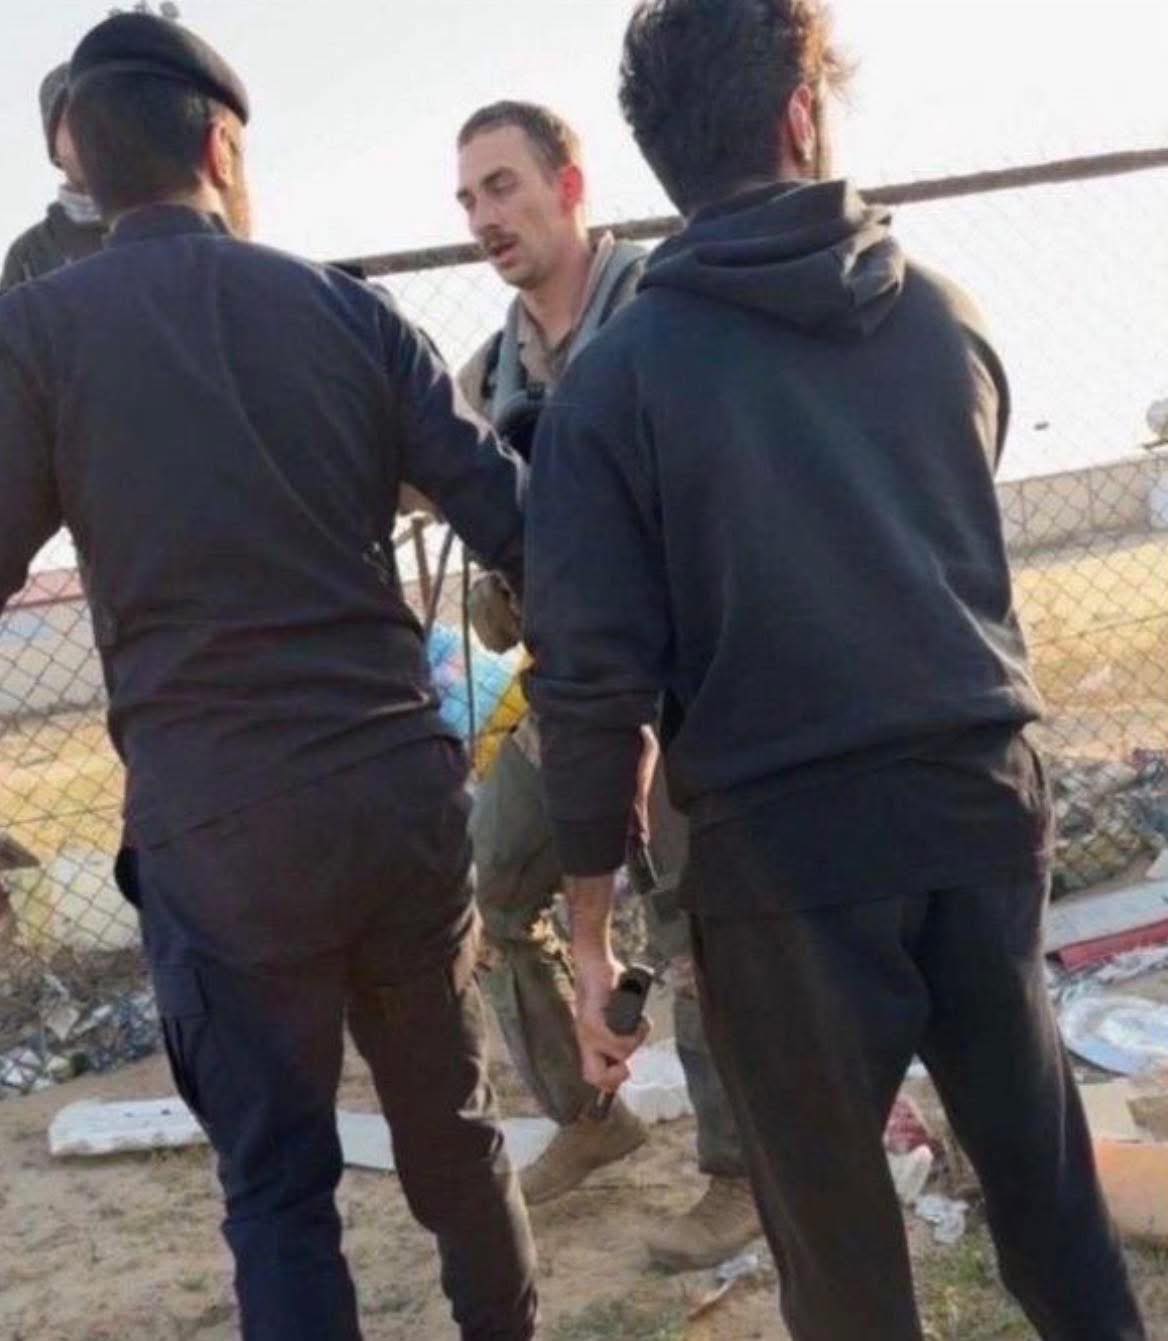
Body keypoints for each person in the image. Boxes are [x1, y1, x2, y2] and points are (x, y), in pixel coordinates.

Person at [522, 2, 1147, 1338]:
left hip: (783, 853)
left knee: (837, 1247)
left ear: (658, 151)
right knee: (1046, 1192)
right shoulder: (947, 321)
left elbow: (590, 689)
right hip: (979, 797)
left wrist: (587, 929)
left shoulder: (613, 388)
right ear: (801, 112)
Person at [0, 14, 537, 1341]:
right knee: (455, 1136)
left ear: (85, 171)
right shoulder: (348, 310)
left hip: (218, 828)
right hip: (395, 798)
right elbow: (517, 520)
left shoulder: (40, 334)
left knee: (279, 1191)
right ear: (223, 148)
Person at [451, 99, 760, 1267]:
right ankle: (592, 1115)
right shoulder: (490, 373)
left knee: (695, 927)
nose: (485, 217)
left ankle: (736, 1173)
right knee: (492, 891)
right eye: (468, 199)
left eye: (503, 185)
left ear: (569, 186)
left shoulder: (663, 310)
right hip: (572, 691)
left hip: (688, 683)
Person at [1, 64, 105, 292]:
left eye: (96, 118)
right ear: (53, 147)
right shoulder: (28, 256)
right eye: (71, 122)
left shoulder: (160, 229)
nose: (87, 134)